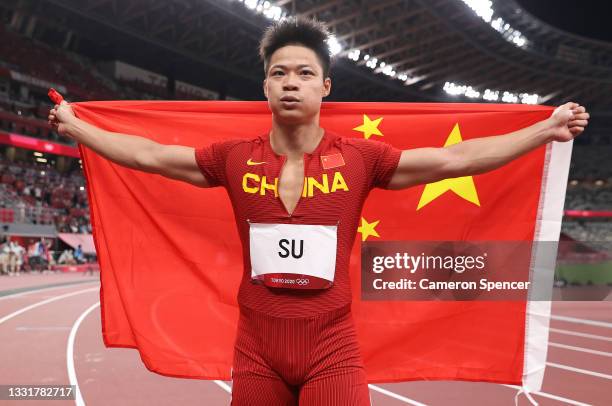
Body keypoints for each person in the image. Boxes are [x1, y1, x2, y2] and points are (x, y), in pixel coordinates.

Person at [48, 16, 589, 406]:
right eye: (279, 72)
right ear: (264, 86)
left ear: (325, 86)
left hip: (332, 345)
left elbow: (455, 158)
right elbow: (148, 154)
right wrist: (78, 129)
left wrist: (544, 130)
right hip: (256, 347)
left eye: (304, 73)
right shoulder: (233, 158)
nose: (290, 82)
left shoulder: (360, 157)